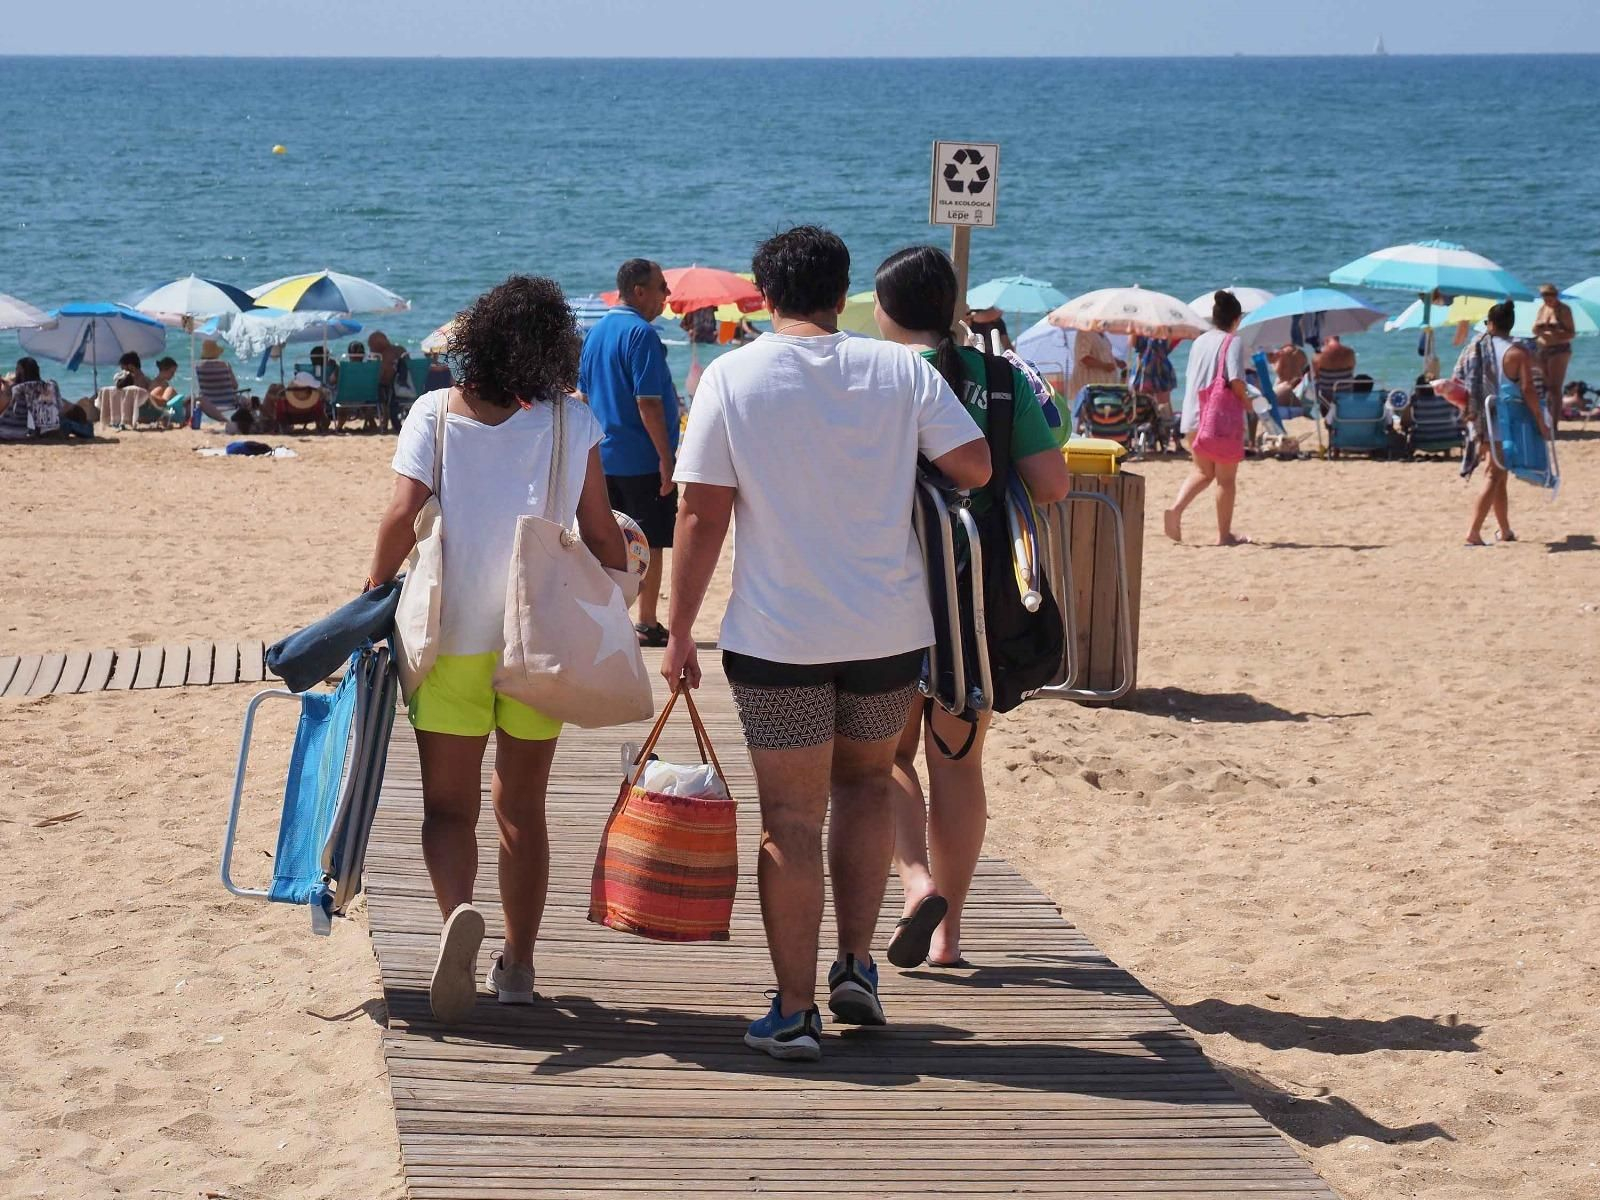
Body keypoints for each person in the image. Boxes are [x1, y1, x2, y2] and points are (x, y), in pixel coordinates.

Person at [662, 226, 991, 1062]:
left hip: (779, 635)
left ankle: (796, 1008)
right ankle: (856, 967)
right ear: (842, 293)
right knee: (869, 789)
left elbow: (700, 512)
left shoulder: (733, 376)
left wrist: (678, 629)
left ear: (765, 295)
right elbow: (976, 466)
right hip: (887, 630)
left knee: (791, 818)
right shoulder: (901, 371)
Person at [364, 275, 626, 1023]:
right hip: (535, 641)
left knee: (448, 809)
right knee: (524, 808)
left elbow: (398, 516)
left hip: (451, 640)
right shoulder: (574, 423)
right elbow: (601, 528)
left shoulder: (432, 415)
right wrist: (615, 592)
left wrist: (371, 586)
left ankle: (457, 918)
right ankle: (518, 963)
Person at [871, 245, 1070, 970]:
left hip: (887, 590)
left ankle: (914, 881)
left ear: (886, 310)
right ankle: (951, 938)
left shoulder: (878, 375)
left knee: (886, 758)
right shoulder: (1000, 377)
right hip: (975, 601)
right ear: (953, 307)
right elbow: (1051, 486)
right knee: (958, 762)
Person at [578, 258, 680, 647]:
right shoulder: (642, 335)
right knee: (649, 539)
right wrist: (667, 458)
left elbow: (583, 396)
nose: (666, 296)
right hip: (640, 456)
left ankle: (607, 615)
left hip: (601, 456)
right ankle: (648, 621)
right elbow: (649, 402)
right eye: (661, 287)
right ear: (639, 291)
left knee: (605, 537)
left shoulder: (596, 333)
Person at [1448, 301, 1548, 546]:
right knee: (1495, 474)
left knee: (1499, 473)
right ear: (1510, 325)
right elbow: (1528, 389)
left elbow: (1458, 380)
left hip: (1481, 416)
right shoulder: (1518, 352)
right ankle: (1473, 532)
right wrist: (1540, 420)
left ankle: (1505, 530)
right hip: (1506, 418)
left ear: (1490, 324)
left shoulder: (1475, 347)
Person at [1165, 291, 1250, 546]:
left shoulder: (1200, 341)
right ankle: (1224, 535)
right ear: (1236, 319)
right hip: (1219, 421)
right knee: (1226, 479)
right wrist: (1249, 403)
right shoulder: (1232, 341)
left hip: (1193, 415)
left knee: (1203, 471)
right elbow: (1235, 380)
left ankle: (1176, 509)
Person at [0, 358, 91, 440]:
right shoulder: (50, 386)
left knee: (66, 422)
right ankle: (88, 428)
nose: (16, 373)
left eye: (17, 370)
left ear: (21, 372)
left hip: (35, 431)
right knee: (67, 423)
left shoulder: (18, 389)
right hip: (50, 427)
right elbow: (58, 407)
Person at [1532, 283, 1575, 436]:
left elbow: (1571, 333)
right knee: (1543, 387)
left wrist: (1555, 332)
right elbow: (1534, 329)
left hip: (1559, 349)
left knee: (1555, 388)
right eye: (1544, 296)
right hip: (1542, 348)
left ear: (1555, 295)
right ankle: (1547, 421)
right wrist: (1540, 329)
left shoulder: (1564, 310)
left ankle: (1555, 424)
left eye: (1549, 296)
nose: (1546, 299)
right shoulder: (1543, 308)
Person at [1063, 328, 1121, 411]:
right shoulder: (1085, 332)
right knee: (1086, 416)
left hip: (1102, 389)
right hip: (1088, 388)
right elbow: (1084, 358)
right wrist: (1104, 366)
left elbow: (1103, 354)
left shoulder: (1101, 335)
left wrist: (1117, 362)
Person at [194, 339, 247, 425]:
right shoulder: (225, 365)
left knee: (197, 398)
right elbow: (235, 385)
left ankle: (224, 420)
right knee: (245, 400)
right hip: (229, 401)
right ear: (216, 352)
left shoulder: (199, 367)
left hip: (209, 403)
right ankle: (242, 423)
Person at [368, 331, 411, 432]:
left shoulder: (386, 355)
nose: (370, 349)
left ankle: (384, 420)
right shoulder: (401, 350)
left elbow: (384, 377)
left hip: (395, 389)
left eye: (371, 346)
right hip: (410, 386)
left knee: (380, 387)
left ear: (378, 345)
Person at [1130, 335, 1176, 423]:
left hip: (1158, 366)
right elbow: (1132, 343)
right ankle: (1147, 426)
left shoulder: (1164, 328)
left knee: (1164, 404)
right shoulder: (1139, 328)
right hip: (1145, 366)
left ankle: (1165, 428)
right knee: (1143, 402)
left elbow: (1167, 346)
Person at [1313, 334, 1357, 413]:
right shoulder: (1349, 352)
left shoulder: (1318, 357)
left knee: (1315, 382)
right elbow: (1352, 371)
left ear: (1325, 340)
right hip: (1346, 399)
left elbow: (1317, 376)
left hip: (1326, 402)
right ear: (1338, 339)